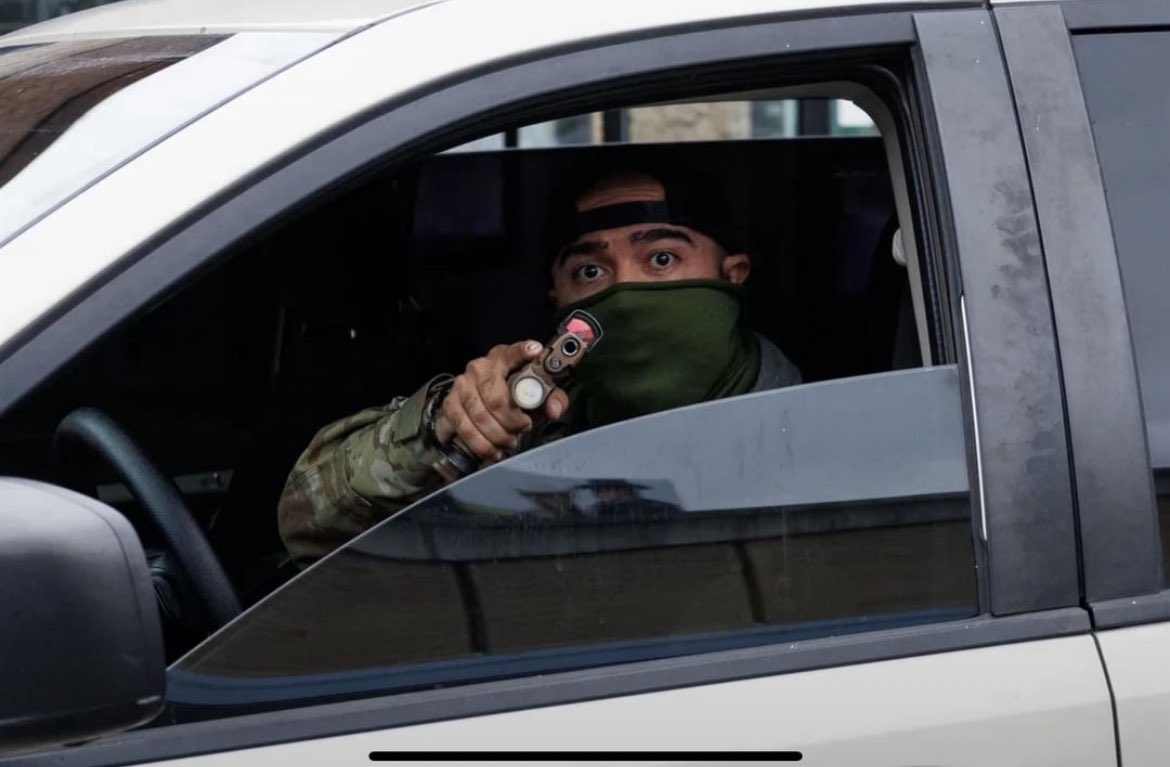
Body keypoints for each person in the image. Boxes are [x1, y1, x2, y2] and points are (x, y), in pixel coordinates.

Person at [277, 162, 802, 567]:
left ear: (732, 275)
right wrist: (450, 424)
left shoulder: (809, 439)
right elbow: (308, 522)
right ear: (558, 299)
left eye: (661, 259)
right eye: (592, 270)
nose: (625, 291)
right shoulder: (528, 421)